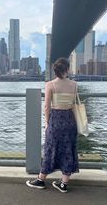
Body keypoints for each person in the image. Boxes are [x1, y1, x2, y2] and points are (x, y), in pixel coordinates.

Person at [26, 57, 79, 193]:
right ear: (67, 69)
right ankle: (63, 183)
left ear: (55, 71)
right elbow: (73, 104)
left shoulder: (50, 84)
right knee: (68, 150)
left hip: (56, 119)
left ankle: (41, 180)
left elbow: (47, 107)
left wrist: (47, 123)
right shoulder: (74, 84)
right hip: (69, 119)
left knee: (50, 149)